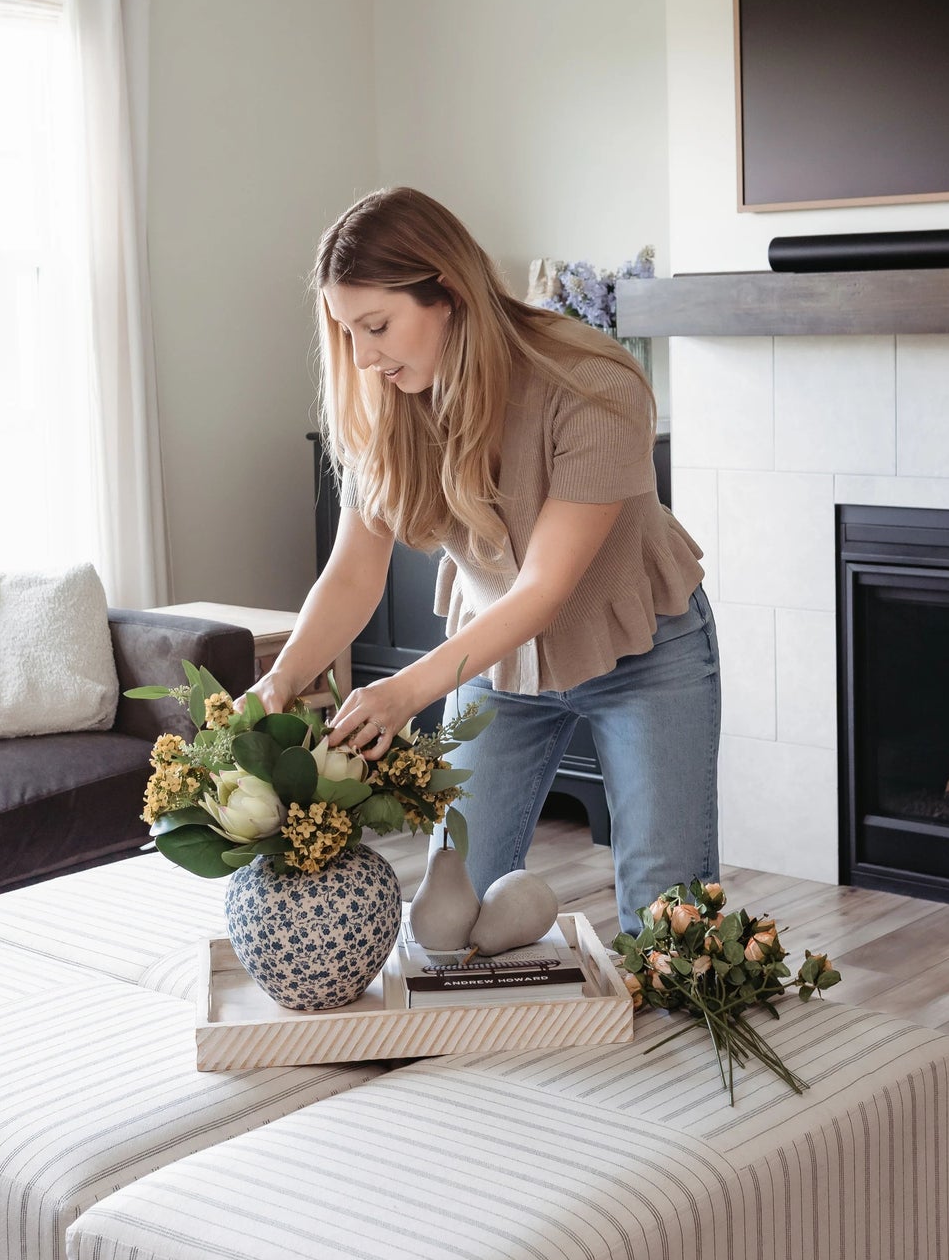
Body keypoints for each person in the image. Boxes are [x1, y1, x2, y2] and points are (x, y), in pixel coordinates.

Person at [242, 186, 720, 928]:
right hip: (495, 663)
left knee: (668, 921)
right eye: (346, 333)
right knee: (448, 911)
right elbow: (352, 571)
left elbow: (544, 590)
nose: (363, 357)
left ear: (449, 295)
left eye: (376, 326)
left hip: (643, 652)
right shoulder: (387, 403)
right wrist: (283, 676)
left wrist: (403, 693)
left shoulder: (591, 384)